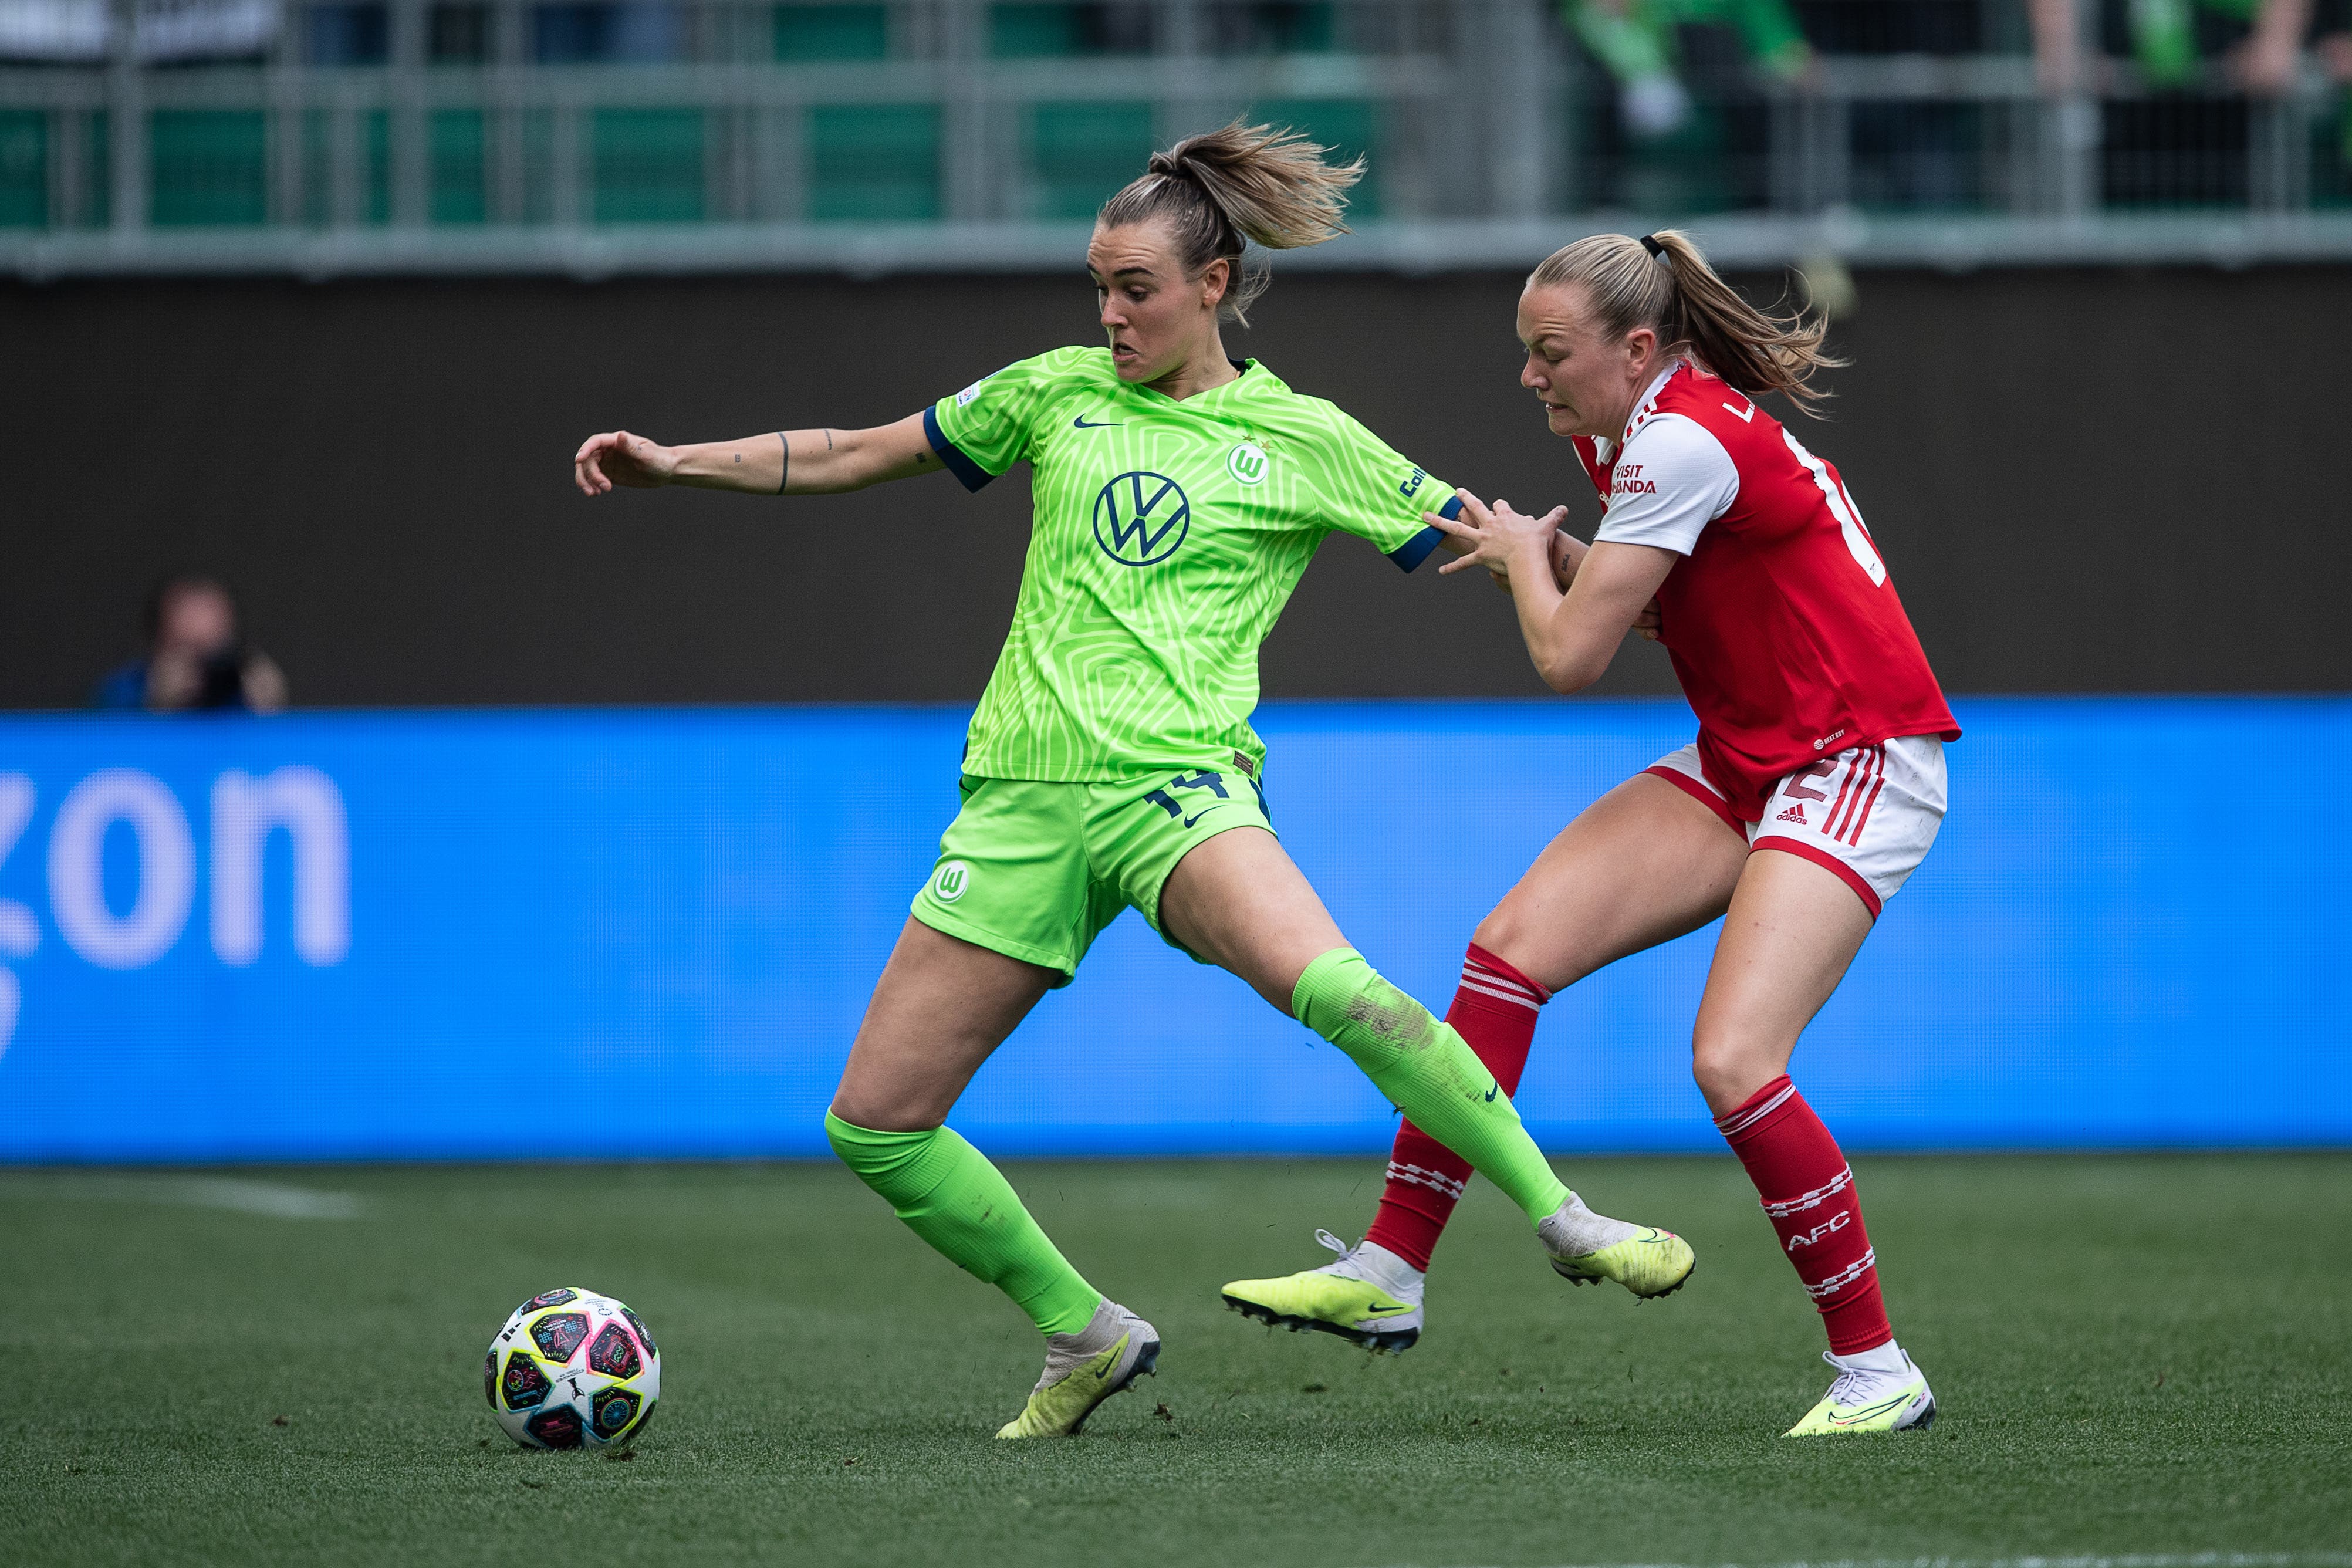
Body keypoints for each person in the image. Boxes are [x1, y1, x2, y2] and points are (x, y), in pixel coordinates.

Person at [571, 125, 1697, 1441]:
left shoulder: (1301, 435)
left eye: (1136, 290)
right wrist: (676, 463)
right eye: (1098, 289)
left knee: (1341, 987)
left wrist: (1551, 560)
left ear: (1214, 284)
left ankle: (1565, 1219)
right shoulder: (1051, 393)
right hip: (1019, 802)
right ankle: (1086, 1330)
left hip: (1180, 792)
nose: (1110, 314)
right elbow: (854, 451)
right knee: (876, 1124)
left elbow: (1478, 533)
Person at [1221, 230, 1958, 1438]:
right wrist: (1559, 553)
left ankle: (1880, 1370)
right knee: (1509, 950)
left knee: (1733, 1062)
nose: (1530, 376)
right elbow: (1694, 608)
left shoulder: (1675, 440)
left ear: (1635, 347)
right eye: (1526, 351)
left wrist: (1527, 564)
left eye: (1549, 352)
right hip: (1753, 746)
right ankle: (1390, 1270)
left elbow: (1569, 656)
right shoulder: (1635, 431)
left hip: (1856, 752)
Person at [94, 573, 289, 714]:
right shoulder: (124, 693)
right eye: (187, 648)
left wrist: (272, 716)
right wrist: (155, 709)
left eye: (215, 649)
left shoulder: (244, 693)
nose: (203, 665)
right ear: (157, 645)